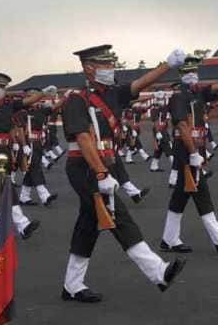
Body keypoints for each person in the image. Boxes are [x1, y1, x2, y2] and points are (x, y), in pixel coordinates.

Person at [60, 44, 187, 302]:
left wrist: (167, 65)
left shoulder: (111, 93)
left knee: (88, 226)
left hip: (104, 164)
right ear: (89, 67)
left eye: (111, 62)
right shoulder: (76, 99)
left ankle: (72, 285)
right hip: (85, 168)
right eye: (105, 64)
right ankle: (158, 271)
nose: (111, 67)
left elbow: (139, 83)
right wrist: (100, 174)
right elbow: (84, 139)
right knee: (120, 217)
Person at [160, 56, 218, 253]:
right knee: (201, 193)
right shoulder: (178, 97)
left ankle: (169, 239)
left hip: (196, 149)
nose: (192, 75)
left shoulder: (198, 94)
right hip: (186, 151)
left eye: (194, 72)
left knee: (180, 197)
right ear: (181, 75)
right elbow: (182, 126)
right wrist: (193, 153)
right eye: (187, 72)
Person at [0, 73, 46, 242]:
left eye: (1, 87)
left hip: (5, 150)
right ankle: (22, 224)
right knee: (5, 186)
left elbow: (26, 102)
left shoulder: (8, 105)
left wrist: (43, 94)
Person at [17, 88, 61, 206]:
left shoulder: (40, 111)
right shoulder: (23, 112)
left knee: (31, 171)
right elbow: (20, 130)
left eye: (35, 96)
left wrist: (66, 98)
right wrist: (24, 145)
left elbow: (54, 107)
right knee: (35, 168)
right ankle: (45, 196)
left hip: (37, 144)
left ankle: (24, 197)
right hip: (28, 144)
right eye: (31, 96)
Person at [149, 89, 173, 172]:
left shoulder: (164, 106)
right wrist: (158, 132)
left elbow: (166, 118)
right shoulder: (155, 107)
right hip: (159, 129)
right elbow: (155, 121)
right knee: (168, 145)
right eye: (160, 98)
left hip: (163, 128)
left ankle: (153, 165)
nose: (161, 100)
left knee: (159, 148)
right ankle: (174, 164)